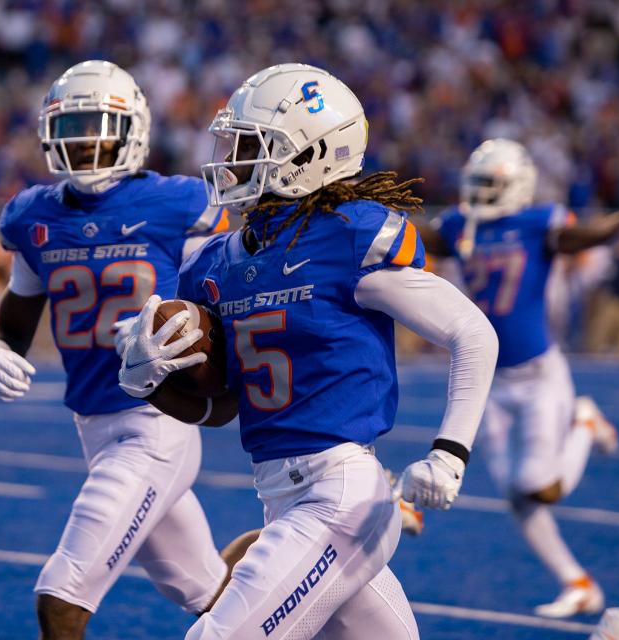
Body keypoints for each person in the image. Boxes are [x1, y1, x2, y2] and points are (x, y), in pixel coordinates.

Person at [118, 63, 498, 640]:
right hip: (282, 496)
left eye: (251, 147)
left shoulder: (347, 236)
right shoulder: (216, 261)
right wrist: (152, 381)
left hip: (340, 493)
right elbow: (220, 407)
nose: (231, 160)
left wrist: (449, 453)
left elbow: (473, 332)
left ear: (307, 156)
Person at [0, 60, 232, 640]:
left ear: (131, 129)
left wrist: (166, 331)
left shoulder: (177, 203)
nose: (83, 141)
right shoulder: (35, 217)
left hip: (155, 422)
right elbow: (12, 322)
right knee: (211, 592)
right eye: (71, 127)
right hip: (92, 424)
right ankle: (317, 601)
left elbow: (223, 304)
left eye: (97, 126)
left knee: (62, 597)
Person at [417, 139, 619, 618]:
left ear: (518, 186)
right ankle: (579, 583)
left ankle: (585, 423)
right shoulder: (458, 226)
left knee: (541, 487)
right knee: (516, 495)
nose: (481, 193)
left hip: (538, 372)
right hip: (490, 379)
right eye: (477, 183)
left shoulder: (537, 223)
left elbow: (595, 234)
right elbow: (408, 237)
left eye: (491, 184)